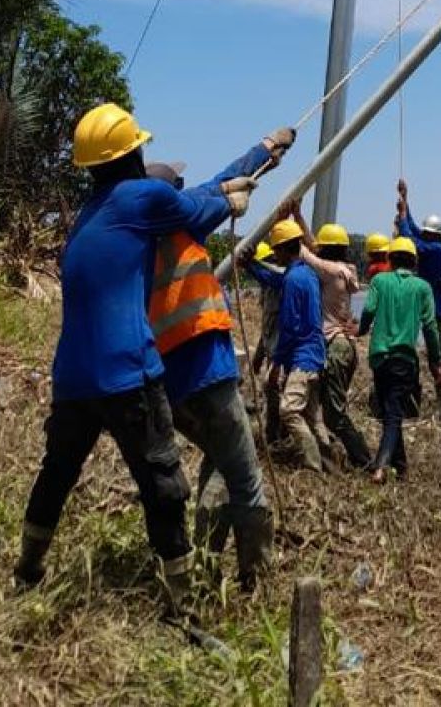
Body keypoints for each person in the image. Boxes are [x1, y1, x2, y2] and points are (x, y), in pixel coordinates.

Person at [16, 103, 258, 609]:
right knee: (163, 485)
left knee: (57, 474)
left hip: (73, 378)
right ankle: (181, 604)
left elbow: (194, 195)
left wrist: (258, 157)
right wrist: (230, 201)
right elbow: (195, 209)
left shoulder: (89, 213)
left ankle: (27, 570)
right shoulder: (141, 196)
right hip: (128, 372)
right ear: (133, 152)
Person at [144, 126, 294, 590]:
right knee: (245, 478)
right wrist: (264, 151)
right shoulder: (184, 222)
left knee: (219, 460)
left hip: (168, 381)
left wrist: (267, 153)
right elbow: (223, 181)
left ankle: (205, 563)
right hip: (207, 369)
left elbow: (221, 183)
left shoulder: (134, 238)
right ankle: (256, 578)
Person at [246, 217, 334, 471]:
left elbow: (291, 328)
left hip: (304, 357)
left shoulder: (294, 280)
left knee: (289, 411)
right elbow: (274, 280)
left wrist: (276, 365)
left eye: (276, 250)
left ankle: (313, 465)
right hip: (316, 353)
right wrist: (251, 266)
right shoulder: (305, 273)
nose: (275, 255)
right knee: (312, 415)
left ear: (285, 249)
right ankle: (331, 463)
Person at [357, 235, 441, 483]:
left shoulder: (379, 281)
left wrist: (360, 331)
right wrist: (436, 363)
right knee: (394, 414)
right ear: (414, 261)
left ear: (390, 258)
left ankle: (401, 466)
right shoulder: (422, 287)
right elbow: (430, 327)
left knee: (389, 411)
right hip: (404, 360)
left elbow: (368, 311)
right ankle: (381, 466)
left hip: (379, 359)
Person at [298, 217, 371, 470]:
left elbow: (306, 253)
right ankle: (333, 456)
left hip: (336, 347)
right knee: (326, 408)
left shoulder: (330, 271)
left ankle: (363, 460)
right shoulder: (345, 269)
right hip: (344, 346)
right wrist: (298, 217)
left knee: (334, 415)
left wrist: (285, 224)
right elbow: (314, 249)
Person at [395, 177, 441, 369]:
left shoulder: (436, 250)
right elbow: (413, 229)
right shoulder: (430, 243)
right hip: (435, 316)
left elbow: (409, 239)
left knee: (438, 363)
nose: (424, 234)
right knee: (435, 361)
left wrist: (403, 214)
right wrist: (405, 199)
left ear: (435, 235)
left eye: (427, 232)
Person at [250, 239, 284, 444]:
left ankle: (275, 438)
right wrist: (258, 356)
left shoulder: (280, 286)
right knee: (270, 394)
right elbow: (266, 328)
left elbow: (279, 326)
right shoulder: (267, 291)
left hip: (281, 353)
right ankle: (273, 436)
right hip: (272, 349)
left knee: (274, 393)